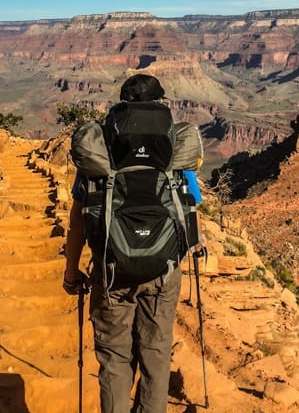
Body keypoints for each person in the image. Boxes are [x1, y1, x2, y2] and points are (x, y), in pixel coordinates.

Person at [62, 74, 202, 413]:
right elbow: (192, 203)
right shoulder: (172, 150)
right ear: (160, 103)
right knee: (155, 357)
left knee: (114, 360)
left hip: (111, 273)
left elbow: (78, 218)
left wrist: (71, 273)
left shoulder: (102, 151)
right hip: (163, 272)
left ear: (122, 103)